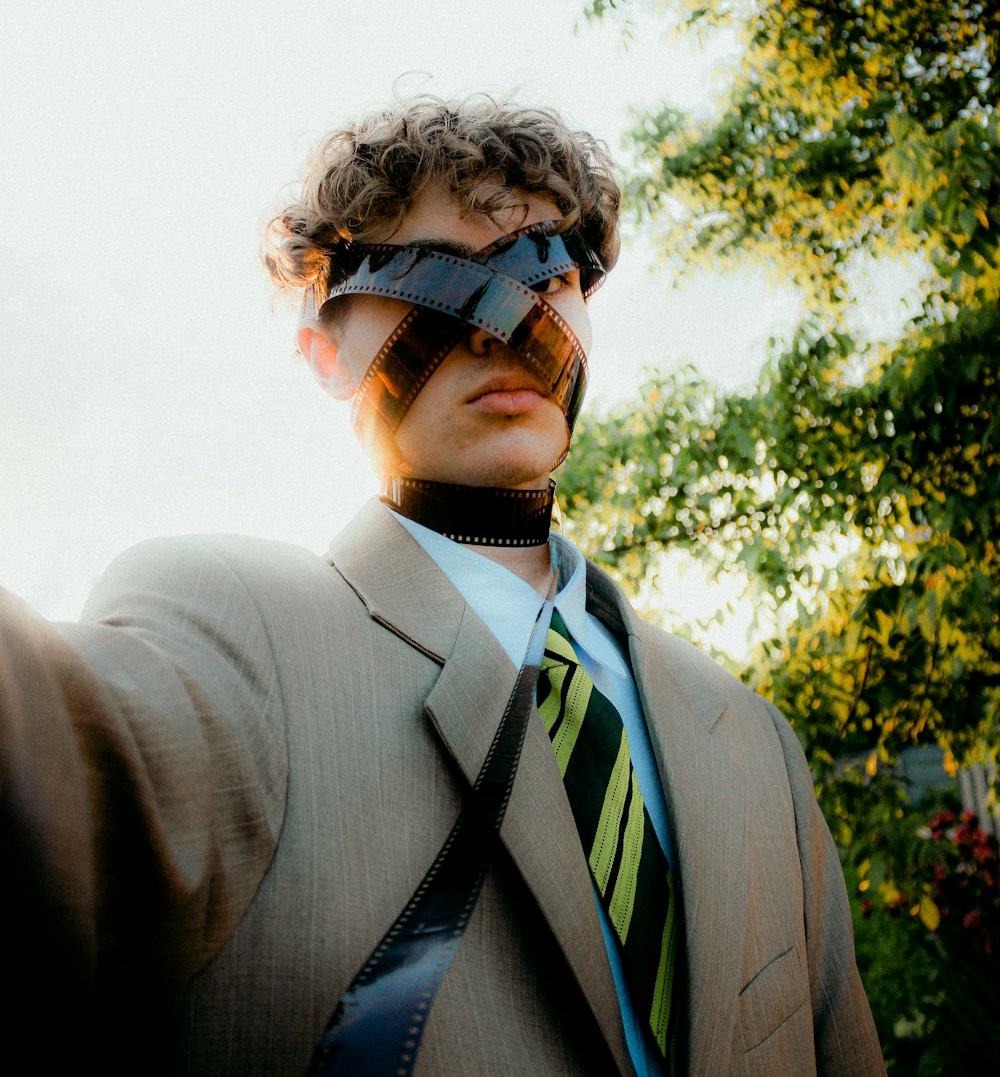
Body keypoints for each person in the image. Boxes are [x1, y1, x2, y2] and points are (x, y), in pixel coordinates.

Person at [0, 97, 885, 1077]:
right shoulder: (235, 641)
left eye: (539, 269)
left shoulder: (750, 738)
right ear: (326, 350)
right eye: (433, 278)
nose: (499, 327)